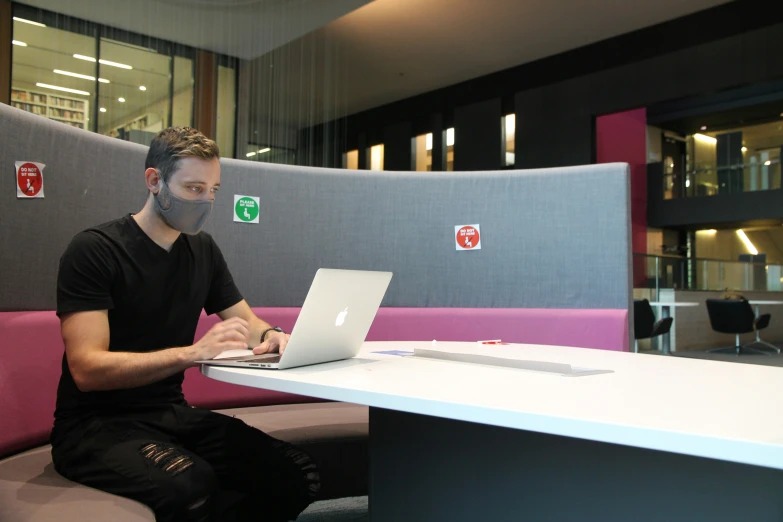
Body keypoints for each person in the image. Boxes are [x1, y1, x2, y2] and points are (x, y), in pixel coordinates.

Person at [50, 127, 319, 522]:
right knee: (190, 487)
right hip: (93, 427)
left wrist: (273, 335)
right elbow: (88, 369)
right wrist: (192, 354)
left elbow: (244, 319)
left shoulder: (202, 250)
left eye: (214, 190)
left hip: (169, 413)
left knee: (296, 472)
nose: (206, 201)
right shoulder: (94, 250)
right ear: (154, 181)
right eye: (194, 188)